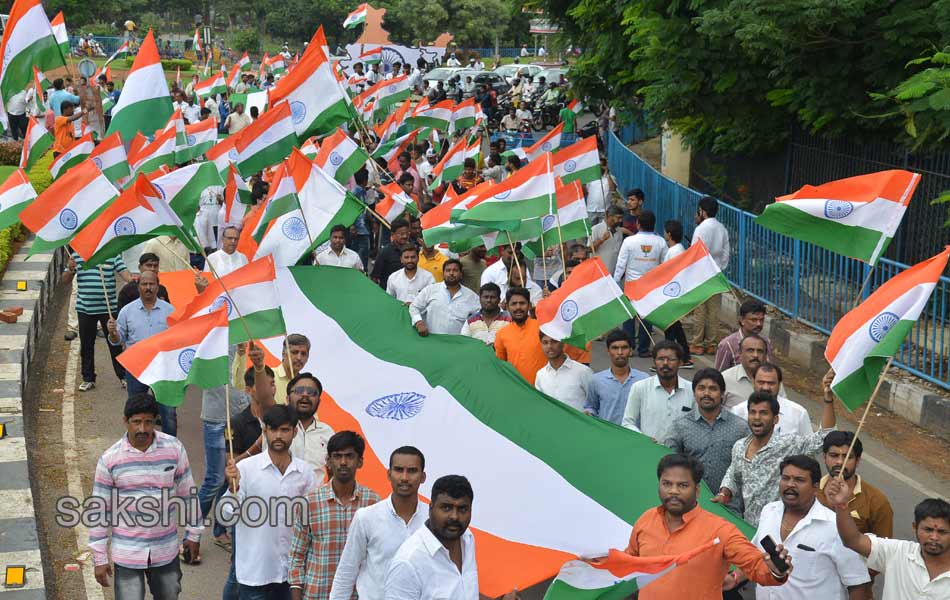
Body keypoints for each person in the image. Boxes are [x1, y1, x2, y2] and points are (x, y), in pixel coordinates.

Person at [625, 454, 792, 600]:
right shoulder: (646, 520)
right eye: (667, 484)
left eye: (682, 485)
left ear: (697, 490)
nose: (673, 491)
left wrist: (776, 571)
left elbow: (756, 567)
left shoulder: (720, 531)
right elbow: (628, 561)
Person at [89, 394, 202, 598]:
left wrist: (194, 534)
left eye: (148, 422)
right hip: (127, 552)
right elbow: (99, 510)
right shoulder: (110, 459)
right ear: (126, 422)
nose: (142, 429)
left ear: (155, 421)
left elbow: (189, 493)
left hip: (165, 550)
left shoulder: (174, 449)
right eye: (136, 422)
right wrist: (99, 558)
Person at [740, 455, 871, 599]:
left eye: (799, 480)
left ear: (815, 487)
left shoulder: (835, 527)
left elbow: (858, 583)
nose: (790, 484)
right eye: (785, 478)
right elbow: (755, 558)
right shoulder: (769, 511)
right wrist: (734, 578)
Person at [223, 405, 320, 600]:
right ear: (264, 431)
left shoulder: (306, 472)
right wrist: (234, 490)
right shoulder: (246, 469)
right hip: (255, 574)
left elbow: (314, 520)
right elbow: (227, 515)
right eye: (273, 429)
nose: (278, 435)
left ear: (294, 431)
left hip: (291, 575)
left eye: (284, 430)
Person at [715, 382, 838, 526]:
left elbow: (825, 437)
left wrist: (828, 399)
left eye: (763, 413)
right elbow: (733, 476)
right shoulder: (739, 446)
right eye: (753, 412)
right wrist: (724, 493)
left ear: (775, 419)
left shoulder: (788, 444)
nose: (757, 417)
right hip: (749, 529)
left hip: (779, 530)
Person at [289, 431, 380, 600]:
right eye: (337, 456)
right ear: (328, 462)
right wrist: (296, 595)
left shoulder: (373, 502)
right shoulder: (310, 502)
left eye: (349, 456)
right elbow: (297, 555)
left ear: (360, 461)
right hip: (317, 594)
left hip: (358, 595)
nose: (343, 462)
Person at [329, 447, 428, 600]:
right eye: (398, 470)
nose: (404, 477)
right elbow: (346, 573)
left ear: (423, 477)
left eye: (412, 471)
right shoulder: (366, 517)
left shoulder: (432, 520)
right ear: (389, 474)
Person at [825, 479, 950, 599]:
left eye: (942, 532)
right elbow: (853, 541)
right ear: (915, 527)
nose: (934, 537)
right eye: (928, 530)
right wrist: (841, 505)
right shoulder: (897, 552)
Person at [384, 475, 479, 600]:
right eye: (446, 507)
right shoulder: (408, 563)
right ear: (430, 508)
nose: (454, 517)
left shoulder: (467, 539)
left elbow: (463, 591)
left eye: (462, 509)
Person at [662, 368, 749, 494]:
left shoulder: (740, 427)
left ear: (722, 393)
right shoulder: (680, 426)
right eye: (701, 388)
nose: (706, 393)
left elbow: (747, 468)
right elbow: (669, 464)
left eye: (713, 389)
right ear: (694, 392)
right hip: (691, 503)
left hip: (729, 505)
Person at [64, 251, 130, 392]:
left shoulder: (112, 254)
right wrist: (70, 269)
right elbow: (65, 280)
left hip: (108, 308)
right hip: (85, 308)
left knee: (115, 343)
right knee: (87, 345)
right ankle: (88, 378)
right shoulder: (76, 256)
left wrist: (134, 280)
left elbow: (125, 275)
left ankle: (124, 376)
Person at [106, 269, 174, 402]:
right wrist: (112, 333)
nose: (148, 287)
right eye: (144, 284)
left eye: (151, 284)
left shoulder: (170, 311)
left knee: (167, 412)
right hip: (136, 367)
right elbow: (118, 340)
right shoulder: (127, 311)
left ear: (157, 286)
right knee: (137, 409)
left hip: (163, 367)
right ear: (138, 287)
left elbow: (177, 339)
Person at [817, 431, 893, 539]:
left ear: (857, 460)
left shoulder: (877, 502)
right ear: (824, 457)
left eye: (847, 457)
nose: (839, 462)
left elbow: (884, 549)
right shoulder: (811, 490)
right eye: (834, 455)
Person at [614, 210, 666, 356]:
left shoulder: (629, 241)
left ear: (638, 224)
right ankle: (643, 349)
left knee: (629, 317)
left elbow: (621, 264)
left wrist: (615, 282)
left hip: (631, 284)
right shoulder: (661, 242)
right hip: (651, 286)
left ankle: (628, 348)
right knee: (646, 317)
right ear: (654, 225)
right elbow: (665, 264)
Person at [621, 340, 693, 440]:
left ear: (680, 362)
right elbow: (627, 422)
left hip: (681, 453)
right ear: (654, 362)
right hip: (650, 451)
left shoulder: (692, 389)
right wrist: (644, 438)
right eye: (661, 359)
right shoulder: (640, 388)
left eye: (671, 359)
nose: (665, 363)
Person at [690, 196, 730, 355]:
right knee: (714, 311)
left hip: (701, 274)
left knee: (700, 311)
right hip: (716, 273)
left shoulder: (700, 229)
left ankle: (697, 343)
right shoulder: (722, 228)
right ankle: (712, 343)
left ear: (702, 211)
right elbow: (726, 253)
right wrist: (720, 268)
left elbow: (694, 252)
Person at [584, 330, 648, 424]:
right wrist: (589, 413)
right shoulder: (596, 380)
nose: (620, 352)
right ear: (608, 351)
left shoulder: (643, 379)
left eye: (624, 348)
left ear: (630, 350)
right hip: (607, 435)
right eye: (615, 348)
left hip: (635, 436)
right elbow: (591, 407)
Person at [731, 363, 811, 436]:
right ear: (753, 382)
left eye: (771, 383)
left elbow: (810, 447)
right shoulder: (738, 412)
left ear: (779, 384)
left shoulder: (798, 414)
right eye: (761, 382)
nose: (765, 387)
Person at [284, 372, 335, 483]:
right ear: (287, 398)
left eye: (311, 392)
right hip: (281, 498)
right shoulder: (277, 427)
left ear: (319, 401)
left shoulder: (327, 432)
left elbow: (333, 471)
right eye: (299, 391)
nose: (305, 395)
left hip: (315, 498)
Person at [410, 260, 480, 336]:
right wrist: (419, 323)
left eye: (455, 270)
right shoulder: (430, 290)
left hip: (458, 343)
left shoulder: (471, 296)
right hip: (432, 340)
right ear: (443, 274)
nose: (451, 273)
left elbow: (481, 315)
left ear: (461, 274)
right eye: (448, 270)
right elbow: (414, 307)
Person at [494, 287, 547, 384]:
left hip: (543, 389)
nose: (518, 307)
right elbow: (501, 367)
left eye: (522, 303)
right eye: (514, 304)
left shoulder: (543, 328)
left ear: (529, 305)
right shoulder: (501, 334)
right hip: (516, 389)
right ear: (507, 306)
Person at [661, 219, 693, 367]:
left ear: (669, 234)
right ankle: (685, 356)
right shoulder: (678, 249)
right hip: (673, 291)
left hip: (672, 292)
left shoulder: (674, 251)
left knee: (670, 326)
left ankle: (670, 356)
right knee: (675, 326)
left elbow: (671, 272)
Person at [722, 335, 786, 409]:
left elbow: (784, 406)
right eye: (750, 350)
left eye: (760, 351)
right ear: (740, 353)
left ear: (766, 355)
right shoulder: (725, 379)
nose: (755, 355)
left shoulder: (773, 379)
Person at [535, 331, 594, 410]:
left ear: (563, 343)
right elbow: (541, 405)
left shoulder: (583, 372)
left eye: (554, 341)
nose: (549, 346)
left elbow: (595, 403)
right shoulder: (541, 375)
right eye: (545, 342)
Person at [252, 333, 311, 406]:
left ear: (307, 358)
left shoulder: (307, 384)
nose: (299, 358)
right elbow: (240, 385)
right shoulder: (267, 377)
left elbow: (312, 415)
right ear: (283, 354)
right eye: (294, 352)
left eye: (303, 354)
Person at [716, 298, 775, 370]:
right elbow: (719, 376)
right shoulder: (728, 345)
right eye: (754, 320)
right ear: (742, 320)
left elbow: (771, 370)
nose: (759, 324)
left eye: (761, 320)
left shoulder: (766, 342)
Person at [372, 219, 413, 289]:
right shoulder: (384, 252)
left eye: (407, 233)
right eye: (402, 234)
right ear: (392, 234)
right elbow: (374, 278)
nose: (405, 236)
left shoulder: (413, 250)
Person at [590, 206, 625, 275]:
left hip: (613, 272)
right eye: (618, 218)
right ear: (608, 216)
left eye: (621, 218)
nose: (620, 220)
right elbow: (589, 249)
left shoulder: (619, 231)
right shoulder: (595, 229)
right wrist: (602, 240)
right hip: (598, 272)